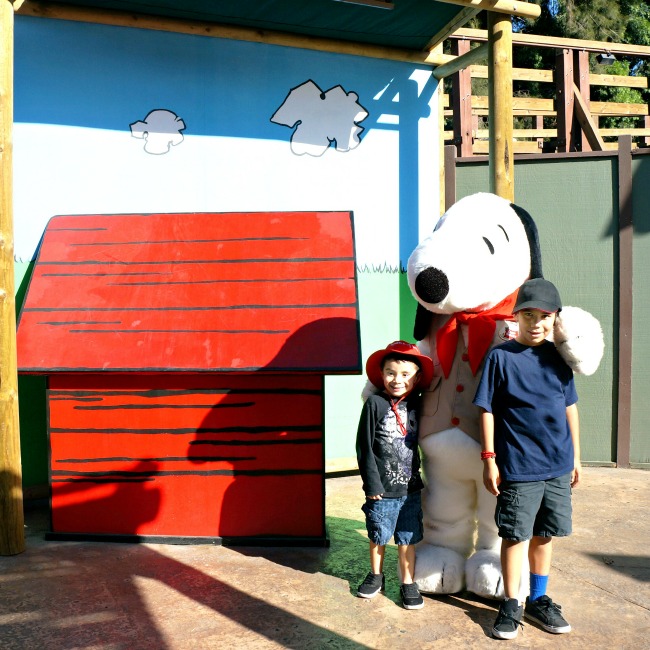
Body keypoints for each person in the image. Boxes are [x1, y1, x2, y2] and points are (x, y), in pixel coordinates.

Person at [473, 278, 581, 640]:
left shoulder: (559, 358)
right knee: (516, 535)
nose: (536, 323)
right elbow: (485, 409)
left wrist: (576, 457)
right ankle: (511, 602)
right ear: (516, 317)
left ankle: (538, 598)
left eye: (544, 316)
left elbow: (570, 407)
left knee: (545, 534)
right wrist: (489, 457)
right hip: (518, 467)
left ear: (555, 319)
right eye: (528, 314)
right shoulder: (500, 357)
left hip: (558, 465)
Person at [355, 340, 434, 610]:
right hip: (382, 488)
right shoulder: (375, 404)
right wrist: (371, 484)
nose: (396, 379)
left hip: (410, 487)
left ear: (417, 377)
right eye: (390, 373)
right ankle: (376, 575)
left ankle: (408, 582)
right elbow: (364, 447)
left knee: (407, 537)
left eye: (404, 374)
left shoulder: (418, 403)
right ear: (381, 374)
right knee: (378, 534)